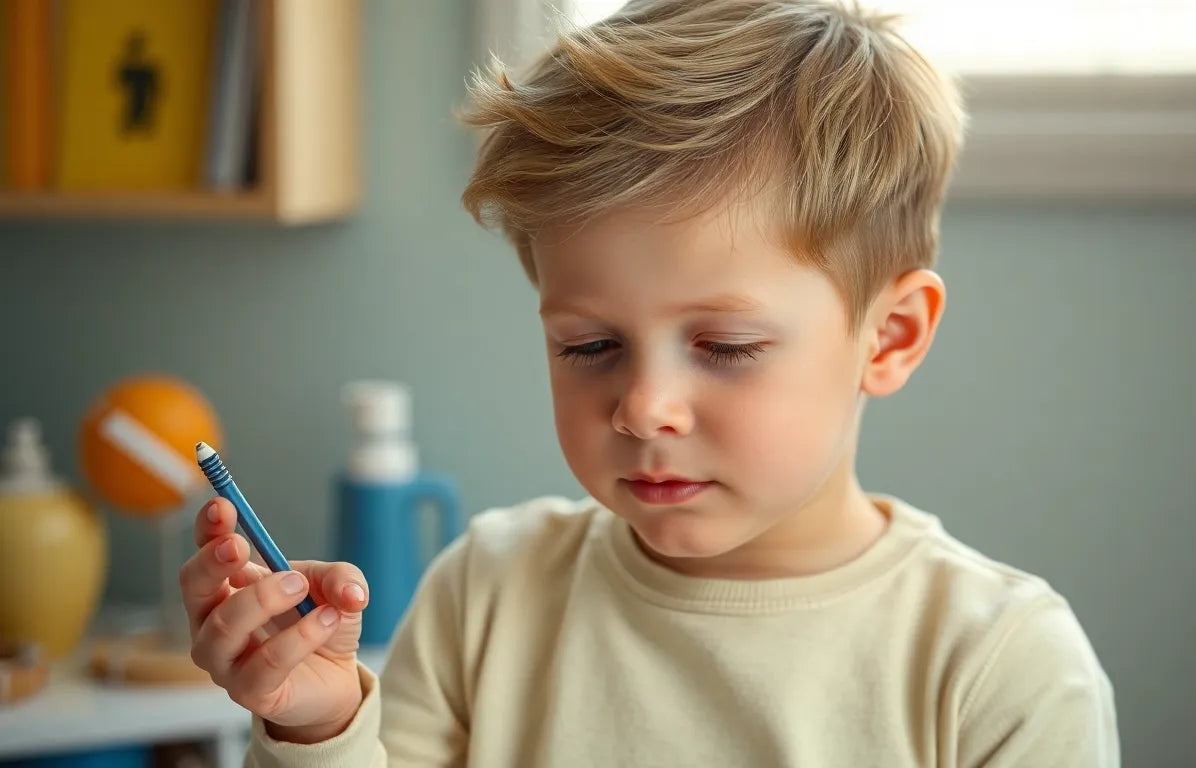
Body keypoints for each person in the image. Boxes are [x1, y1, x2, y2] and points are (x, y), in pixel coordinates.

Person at [178, 1, 1120, 765]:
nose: (641, 408)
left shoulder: (997, 665)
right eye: (590, 347)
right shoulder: (488, 596)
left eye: (725, 345)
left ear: (890, 335)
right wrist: (316, 727)